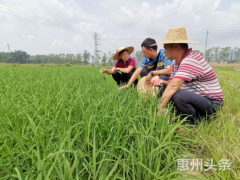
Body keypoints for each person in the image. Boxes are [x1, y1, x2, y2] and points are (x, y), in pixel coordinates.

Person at [151, 26, 224, 124]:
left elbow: (173, 86)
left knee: (179, 96)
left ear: (175, 46)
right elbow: (171, 83)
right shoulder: (176, 63)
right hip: (198, 100)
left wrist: (159, 108)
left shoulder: (191, 59)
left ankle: (190, 125)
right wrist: (163, 82)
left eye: (165, 48)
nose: (164, 52)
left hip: (212, 103)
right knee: (163, 91)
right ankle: (176, 117)